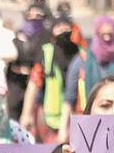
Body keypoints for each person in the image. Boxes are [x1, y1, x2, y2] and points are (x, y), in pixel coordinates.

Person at [62, 16, 114, 137]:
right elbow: (69, 98)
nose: (107, 38)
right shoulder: (82, 61)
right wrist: (63, 129)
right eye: (103, 35)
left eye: (110, 35)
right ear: (96, 34)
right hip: (86, 126)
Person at [20, 14, 81, 143]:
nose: (63, 31)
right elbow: (33, 84)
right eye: (59, 27)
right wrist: (26, 114)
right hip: (47, 118)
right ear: (52, 31)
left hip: (75, 119)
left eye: (67, 28)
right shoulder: (46, 53)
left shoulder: (80, 53)